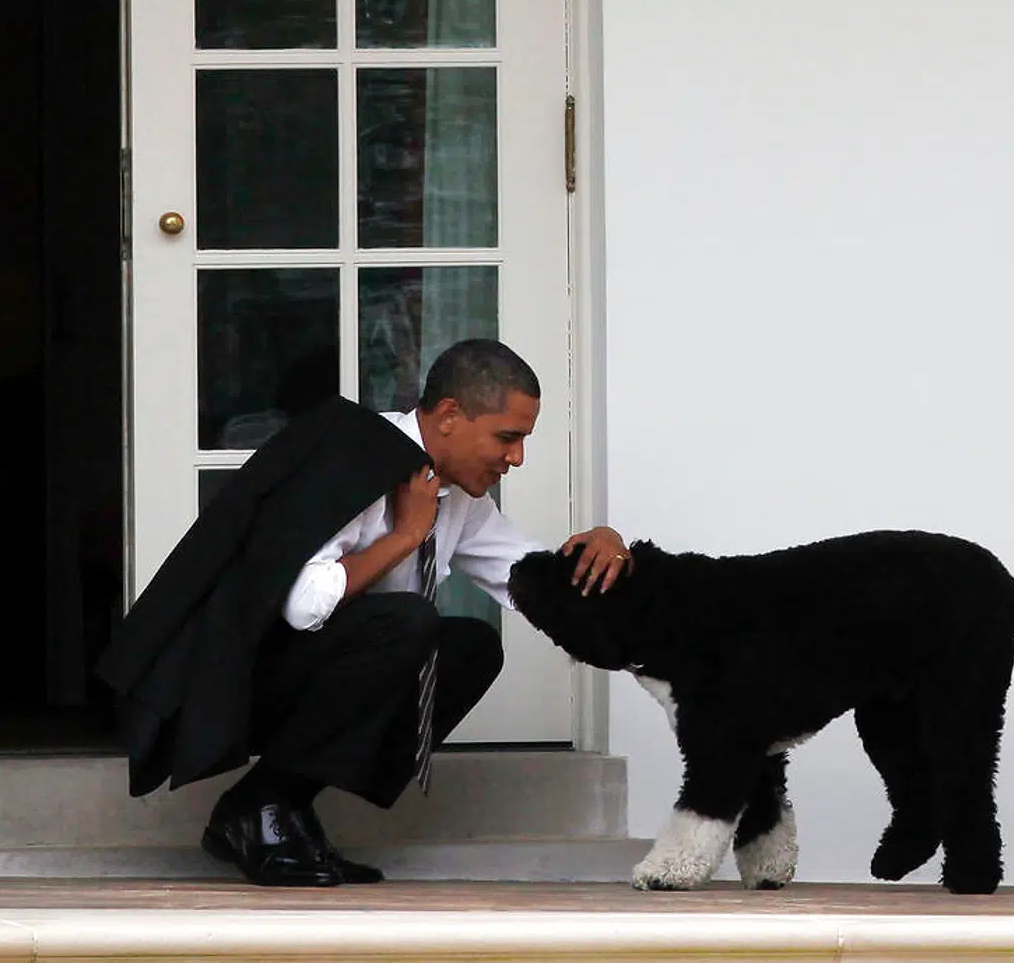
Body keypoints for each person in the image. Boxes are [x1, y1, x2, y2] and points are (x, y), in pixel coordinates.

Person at [97, 337, 629, 886]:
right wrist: (405, 536)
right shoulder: (354, 456)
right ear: (450, 415)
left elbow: (527, 581)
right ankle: (261, 809)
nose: (516, 458)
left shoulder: (460, 497)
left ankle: (272, 801)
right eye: (507, 437)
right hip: (232, 684)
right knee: (407, 622)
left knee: (472, 647)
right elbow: (303, 605)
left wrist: (605, 551)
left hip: (320, 677)